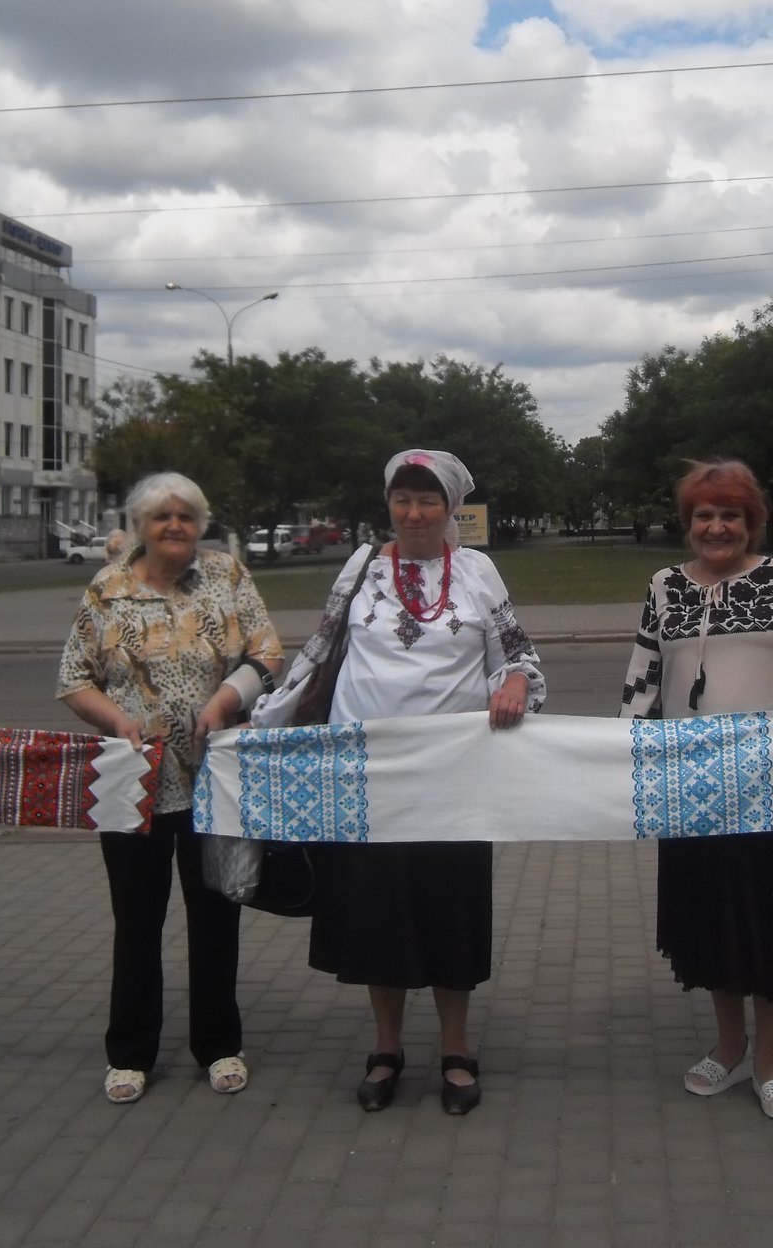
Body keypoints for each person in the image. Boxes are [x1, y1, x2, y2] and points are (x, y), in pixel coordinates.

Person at [254, 448, 544, 1116]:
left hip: (452, 781)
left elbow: (516, 653)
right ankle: (386, 1048)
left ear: (450, 508)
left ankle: (455, 1049)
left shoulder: (477, 572)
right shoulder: (360, 568)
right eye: (402, 500)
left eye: (428, 501)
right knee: (376, 915)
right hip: (367, 780)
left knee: (450, 910)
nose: (414, 513)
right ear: (388, 503)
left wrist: (515, 683)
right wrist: (261, 721)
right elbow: (319, 654)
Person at [619, 460, 773, 1120]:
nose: (717, 527)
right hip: (694, 787)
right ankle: (729, 1046)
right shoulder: (664, 587)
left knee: (771, 922)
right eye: (704, 516)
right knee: (711, 917)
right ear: (688, 523)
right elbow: (641, 680)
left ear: (752, 522)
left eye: (731, 515)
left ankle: (770, 1058)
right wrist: (620, 751)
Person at [59, 473, 282, 1106]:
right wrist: (117, 721)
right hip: (134, 785)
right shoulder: (108, 588)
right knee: (137, 921)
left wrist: (224, 701)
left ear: (200, 523)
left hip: (217, 781)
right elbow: (74, 679)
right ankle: (130, 1054)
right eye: (162, 516)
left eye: (186, 515)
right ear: (140, 526)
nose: (175, 526)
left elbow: (268, 653)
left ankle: (219, 1045)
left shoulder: (227, 576)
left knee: (216, 916)